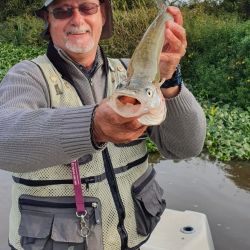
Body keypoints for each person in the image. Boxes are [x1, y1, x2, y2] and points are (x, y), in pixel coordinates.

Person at [0, 0, 206, 249]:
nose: (77, 20)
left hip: (134, 241)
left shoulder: (133, 74)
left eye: (87, 7)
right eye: (63, 11)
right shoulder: (26, 76)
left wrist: (169, 81)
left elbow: (187, 147)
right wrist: (92, 127)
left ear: (103, 15)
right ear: (48, 19)